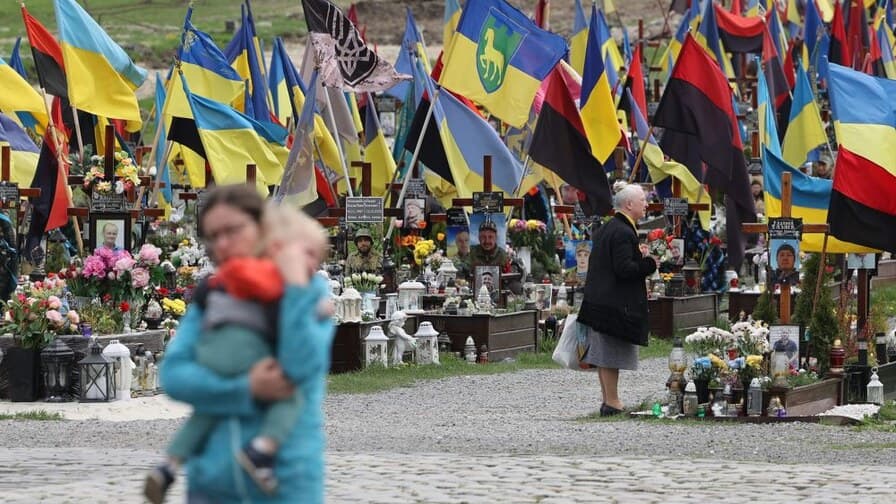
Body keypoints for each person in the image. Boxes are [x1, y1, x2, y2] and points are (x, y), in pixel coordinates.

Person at [158, 184, 335, 503]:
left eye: (233, 230)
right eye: (213, 236)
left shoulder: (308, 293)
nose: (223, 244)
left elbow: (300, 367)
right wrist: (246, 389)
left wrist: (294, 289)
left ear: (263, 228)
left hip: (285, 483)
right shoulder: (212, 295)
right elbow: (173, 375)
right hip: (211, 484)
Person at [576, 183, 657, 417]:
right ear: (629, 204)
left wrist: (637, 254)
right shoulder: (622, 231)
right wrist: (649, 263)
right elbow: (624, 269)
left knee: (604, 355)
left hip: (601, 301)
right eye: (643, 200)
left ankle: (609, 400)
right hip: (612, 305)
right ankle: (612, 401)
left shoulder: (612, 227)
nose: (647, 204)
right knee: (609, 355)